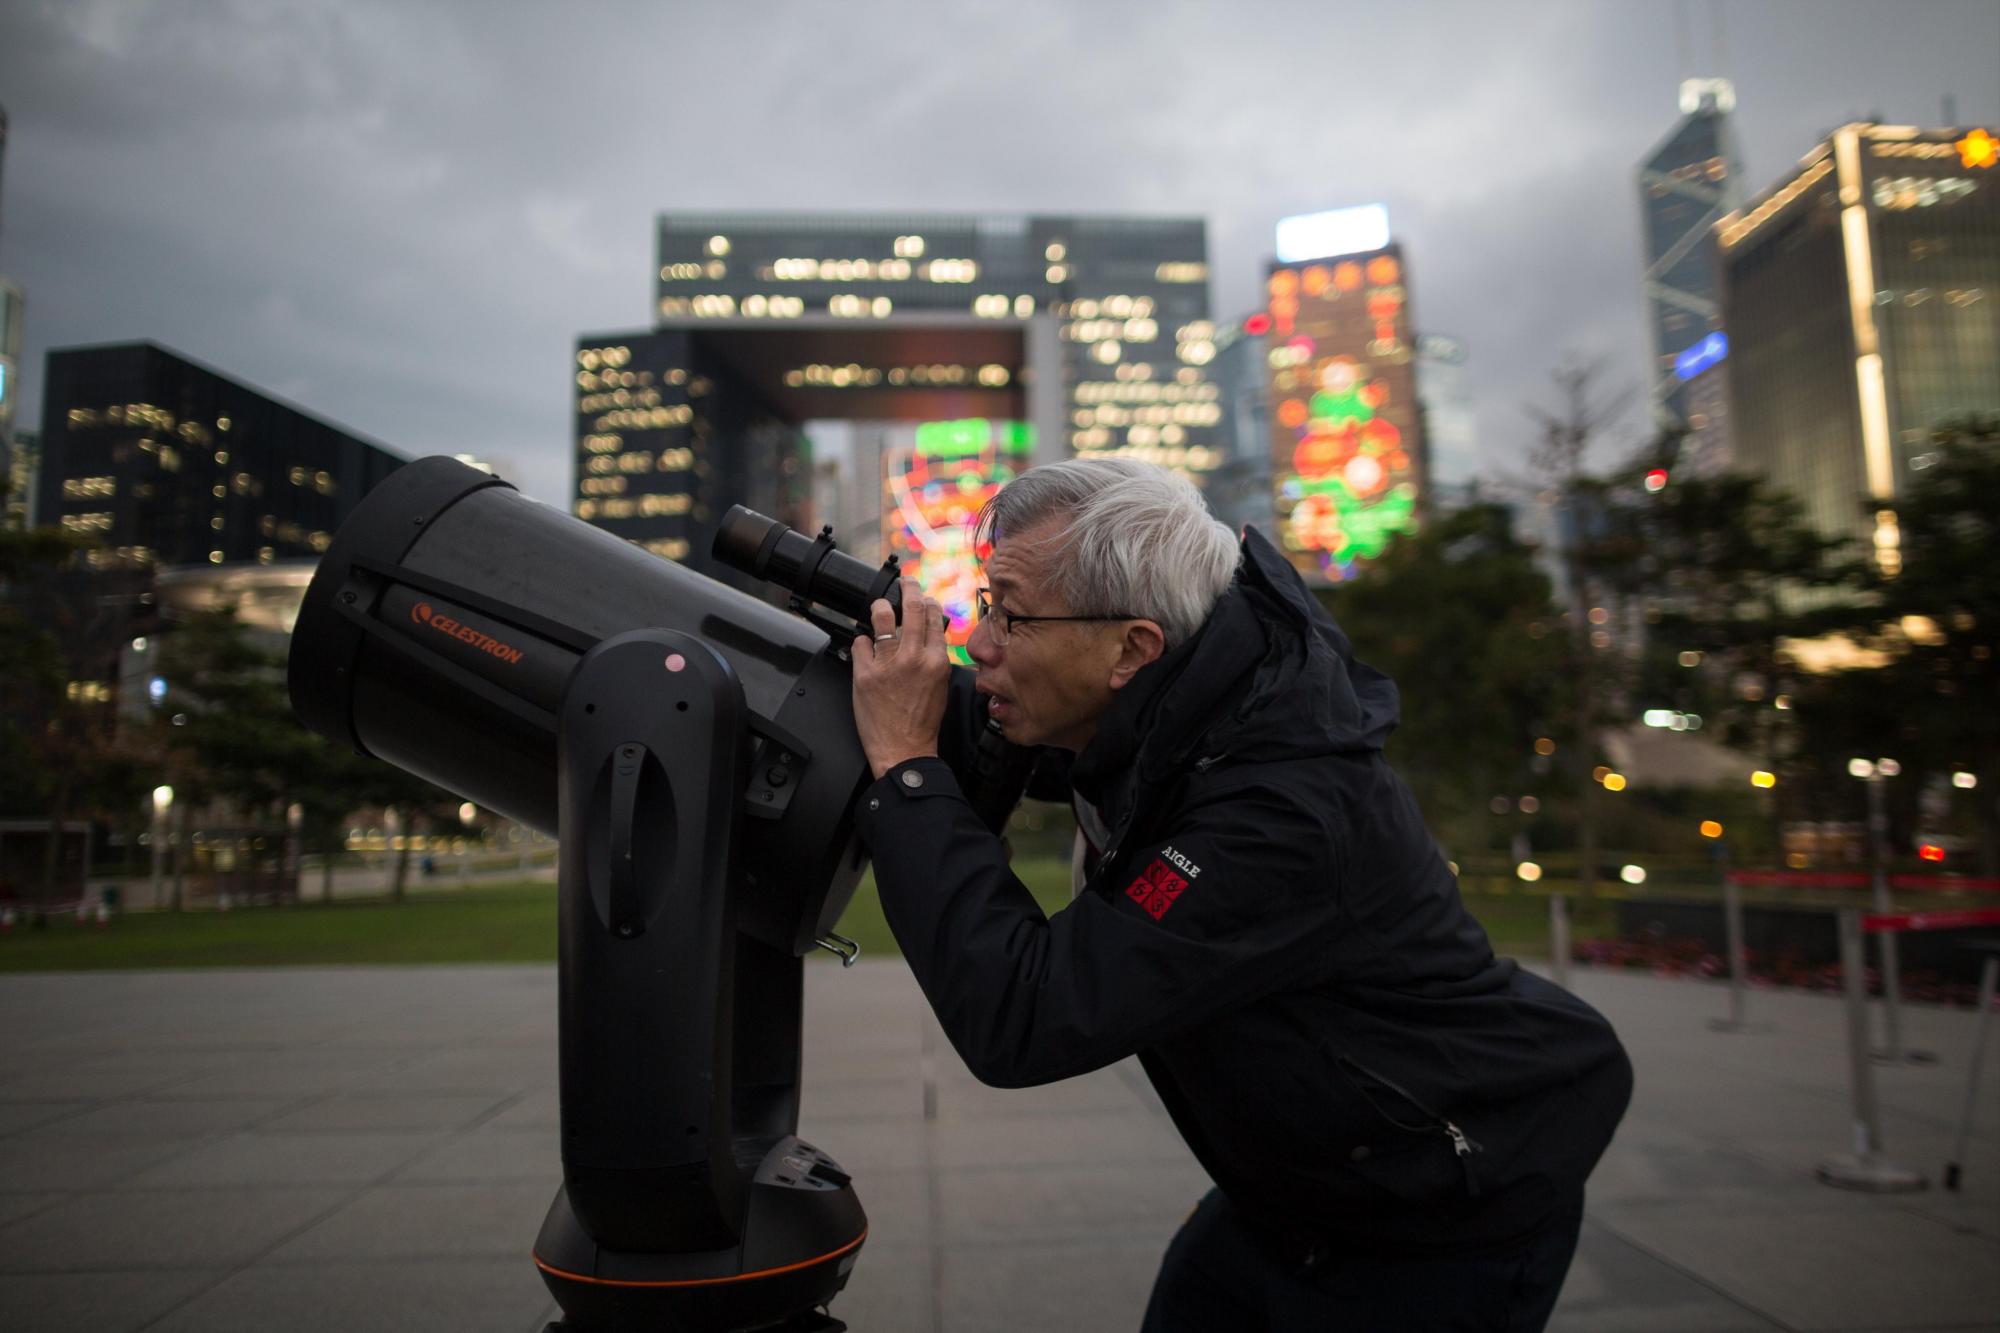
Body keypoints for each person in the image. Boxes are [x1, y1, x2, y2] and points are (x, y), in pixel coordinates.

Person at [850, 458, 1631, 1331]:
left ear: (1132, 648)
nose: (979, 642)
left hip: (1439, 1214)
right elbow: (984, 721)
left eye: (1010, 615)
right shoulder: (1183, 705)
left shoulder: (1277, 810)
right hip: (1293, 1192)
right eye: (984, 604)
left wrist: (905, 769)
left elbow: (1028, 1012)